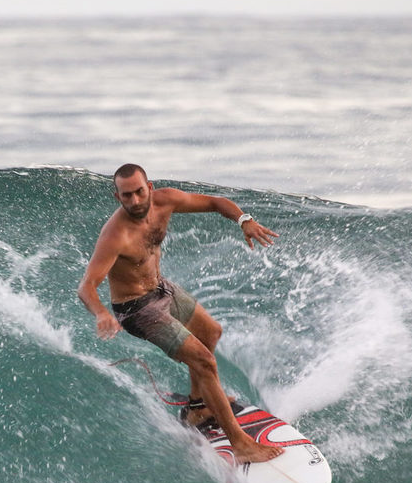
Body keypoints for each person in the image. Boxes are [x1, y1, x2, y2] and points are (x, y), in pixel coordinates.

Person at [77, 163, 283, 463]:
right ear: (116, 196)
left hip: (161, 289)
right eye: (126, 196)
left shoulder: (166, 200)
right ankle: (240, 444)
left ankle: (199, 408)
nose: (134, 201)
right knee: (204, 361)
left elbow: (215, 202)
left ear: (150, 187)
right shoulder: (114, 235)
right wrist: (100, 314)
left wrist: (243, 219)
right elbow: (87, 286)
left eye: (138, 192)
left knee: (211, 332)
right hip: (137, 308)